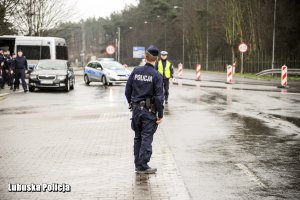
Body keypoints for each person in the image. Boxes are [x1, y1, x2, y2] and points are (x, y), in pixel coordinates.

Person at [125, 45, 164, 174]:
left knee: (138, 137)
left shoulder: (136, 71)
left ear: (145, 57)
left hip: (136, 110)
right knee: (146, 138)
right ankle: (142, 166)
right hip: (148, 112)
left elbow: (127, 91)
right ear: (156, 59)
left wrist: (131, 103)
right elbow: (159, 98)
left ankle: (138, 164)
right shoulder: (156, 75)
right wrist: (160, 114)